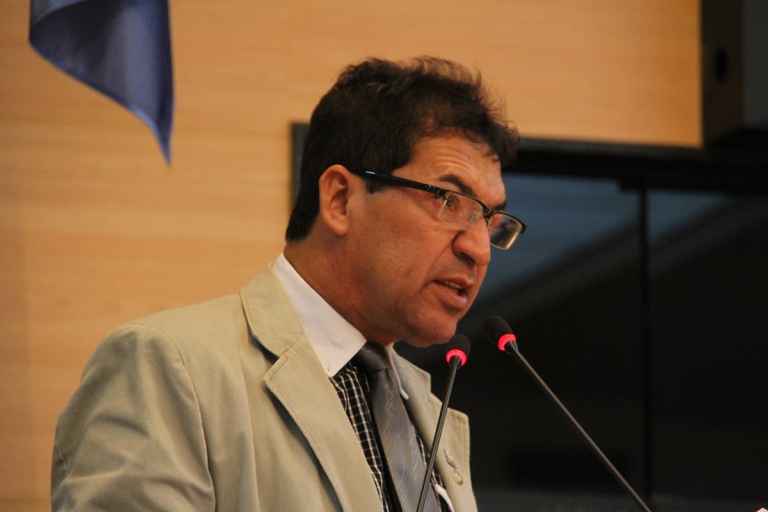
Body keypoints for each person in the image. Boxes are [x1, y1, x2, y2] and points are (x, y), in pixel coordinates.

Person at [51, 56, 524, 511]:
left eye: (489, 220)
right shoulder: (170, 368)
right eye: (449, 200)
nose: (479, 250)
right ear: (340, 199)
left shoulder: (425, 407)